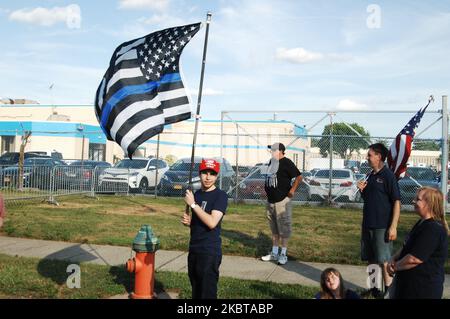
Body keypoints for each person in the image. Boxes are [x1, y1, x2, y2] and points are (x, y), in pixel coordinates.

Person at [387, 187, 449, 299]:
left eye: (418, 199)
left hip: (423, 289)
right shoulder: (422, 223)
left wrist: (395, 267)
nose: (413, 201)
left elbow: (415, 259)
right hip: (409, 286)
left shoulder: (433, 229)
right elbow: (407, 246)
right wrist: (394, 258)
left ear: (429, 204)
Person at [357, 143, 401, 298]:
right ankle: (374, 289)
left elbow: (396, 201)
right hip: (368, 224)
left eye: (370, 155)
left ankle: (389, 291)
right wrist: (362, 190)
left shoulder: (388, 175)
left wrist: (393, 226)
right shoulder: (370, 175)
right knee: (371, 258)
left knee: (384, 260)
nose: (367, 158)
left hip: (382, 226)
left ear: (379, 157)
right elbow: (371, 199)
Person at [181, 158, 228, 299]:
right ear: (199, 173)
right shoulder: (197, 195)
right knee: (196, 291)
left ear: (217, 175)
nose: (208, 177)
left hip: (209, 252)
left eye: (212, 174)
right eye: (205, 173)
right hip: (194, 249)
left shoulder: (220, 196)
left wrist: (194, 205)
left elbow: (212, 222)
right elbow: (200, 220)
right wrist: (190, 222)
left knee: (207, 294)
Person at [261, 143, 302, 265]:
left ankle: (283, 254)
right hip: (271, 201)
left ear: (280, 151)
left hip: (282, 201)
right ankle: (274, 253)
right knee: (274, 229)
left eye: (273, 150)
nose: (271, 152)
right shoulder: (272, 162)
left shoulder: (286, 162)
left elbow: (299, 177)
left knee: (283, 228)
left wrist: (292, 190)